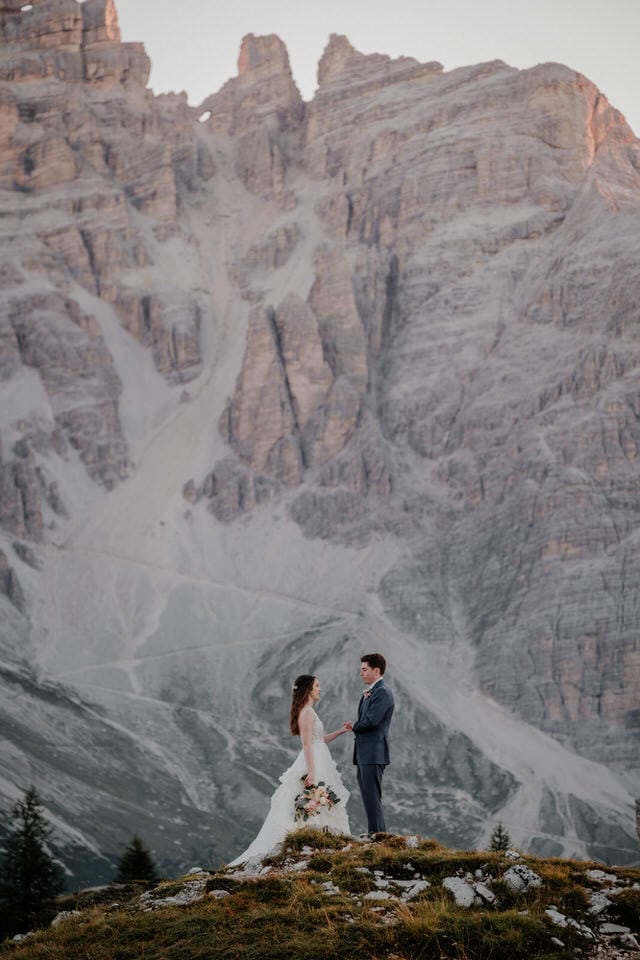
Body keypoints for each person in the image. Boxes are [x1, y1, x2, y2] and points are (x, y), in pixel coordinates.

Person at [229, 675, 351, 866]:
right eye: (317, 686)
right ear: (308, 689)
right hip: (314, 761)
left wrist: (341, 731)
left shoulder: (310, 711)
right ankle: (311, 841)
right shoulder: (307, 713)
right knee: (314, 798)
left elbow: (319, 740)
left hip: (320, 757)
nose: (320, 689)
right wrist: (312, 771)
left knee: (321, 800)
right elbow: (307, 744)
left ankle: (321, 841)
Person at [346, 653, 394, 835]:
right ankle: (376, 833)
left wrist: (354, 726)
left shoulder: (382, 692)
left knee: (372, 796)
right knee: (368, 796)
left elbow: (372, 721)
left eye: (365, 670)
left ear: (376, 670)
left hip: (373, 752)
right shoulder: (373, 692)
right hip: (366, 753)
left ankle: (377, 835)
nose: (361, 673)